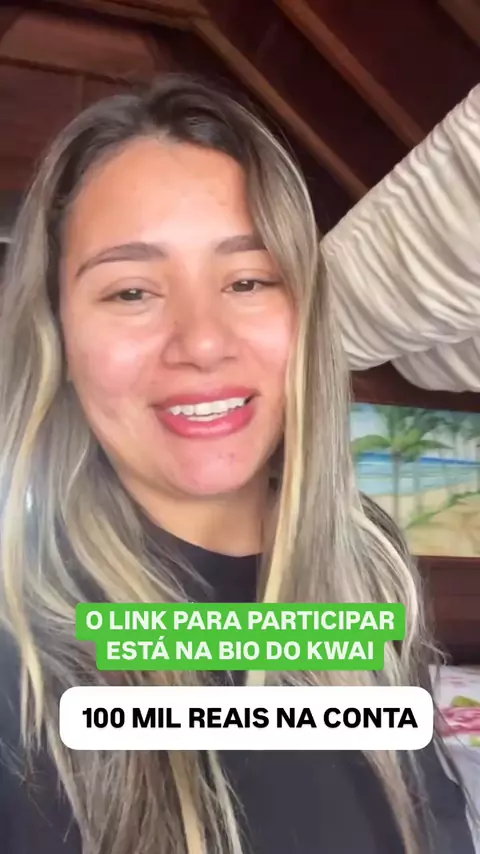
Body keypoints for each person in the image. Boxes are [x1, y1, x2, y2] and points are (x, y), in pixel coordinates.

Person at [0, 74, 474, 854]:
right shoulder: (20, 657)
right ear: (59, 339)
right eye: (131, 292)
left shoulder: (367, 559)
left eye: (249, 280)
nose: (202, 341)